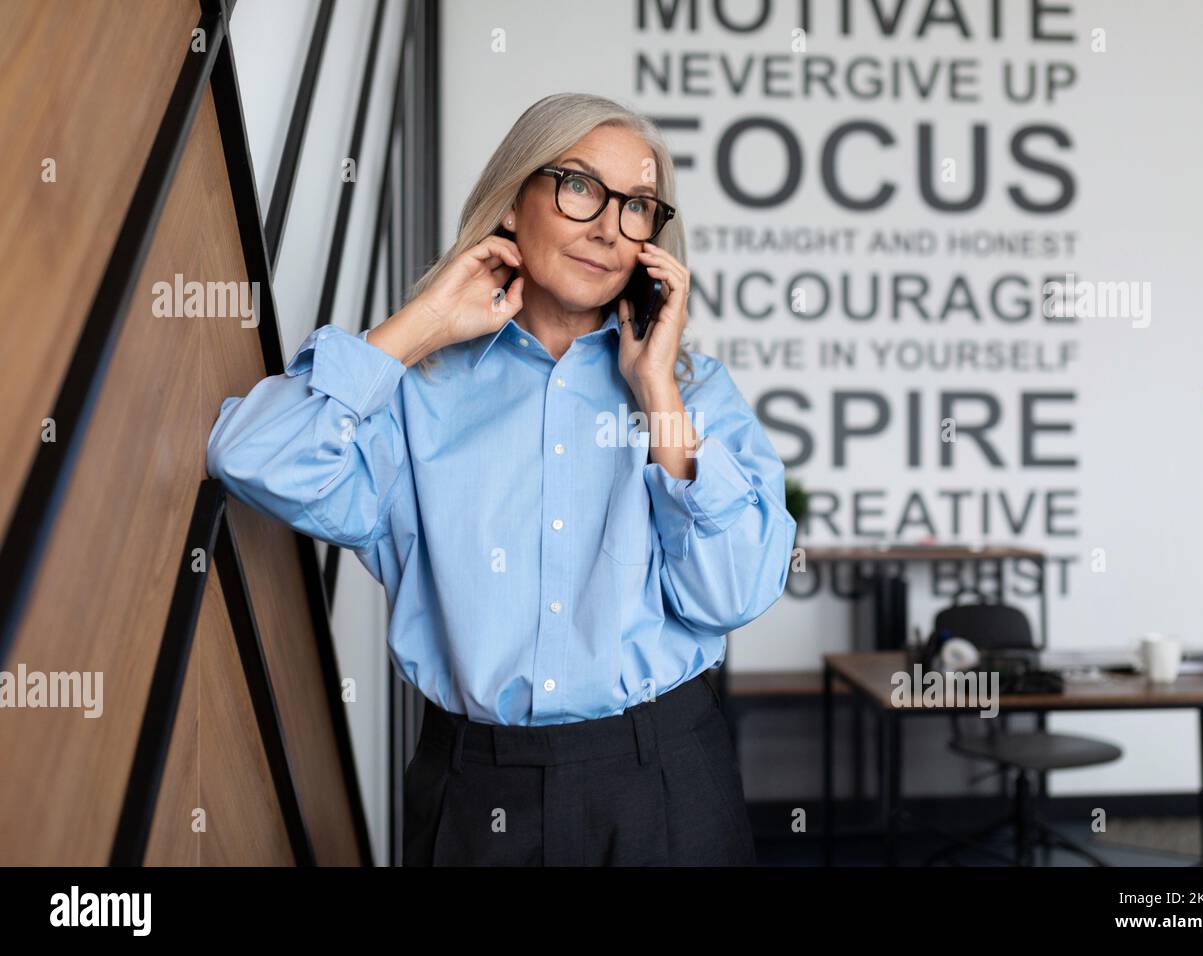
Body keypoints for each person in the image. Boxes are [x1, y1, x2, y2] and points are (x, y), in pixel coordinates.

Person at [206, 92, 796, 866]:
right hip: (474, 789)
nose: (608, 228)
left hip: (663, 780)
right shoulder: (415, 391)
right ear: (513, 201)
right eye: (580, 186)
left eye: (639, 207)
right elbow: (251, 457)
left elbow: (735, 594)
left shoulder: (695, 394)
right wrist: (422, 323)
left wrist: (658, 395)